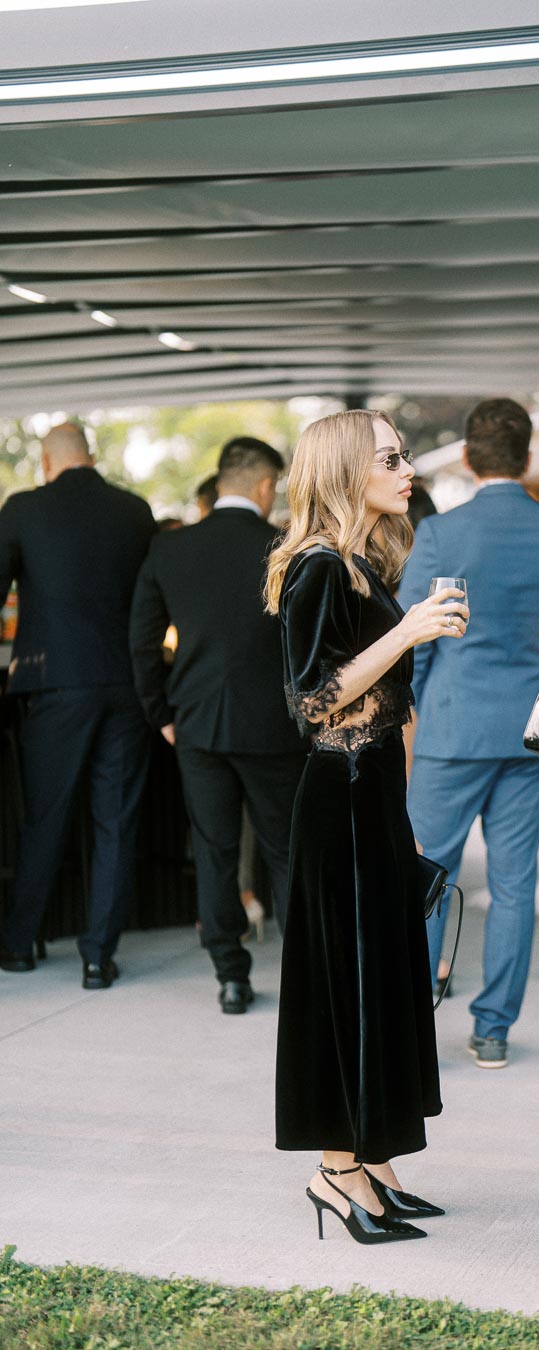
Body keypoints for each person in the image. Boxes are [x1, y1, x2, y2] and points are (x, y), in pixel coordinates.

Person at [265, 408, 467, 1244]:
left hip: (373, 799)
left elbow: (397, 709)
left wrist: (406, 817)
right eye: (390, 457)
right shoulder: (316, 568)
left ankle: (375, 1162)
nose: (406, 467)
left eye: (404, 453)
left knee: (386, 985)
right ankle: (335, 1171)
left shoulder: (365, 566)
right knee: (348, 988)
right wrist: (412, 628)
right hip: (337, 802)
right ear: (348, 471)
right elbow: (313, 700)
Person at [397, 398, 539, 1068]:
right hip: (529, 733)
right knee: (513, 886)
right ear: (527, 458)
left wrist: (407, 713)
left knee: (422, 877)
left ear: (470, 458)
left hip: (451, 731)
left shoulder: (441, 535)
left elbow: (414, 640)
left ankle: (412, 1026)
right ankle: (493, 1030)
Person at [130, 436, 304, 1014]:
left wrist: (162, 714)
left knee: (215, 851)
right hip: (274, 726)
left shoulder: (170, 550)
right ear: (263, 485)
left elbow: (142, 641)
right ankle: (306, 975)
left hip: (197, 724)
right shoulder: (285, 548)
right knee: (285, 850)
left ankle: (231, 975)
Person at [0, 422, 155, 986]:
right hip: (126, 683)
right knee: (115, 820)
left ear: (46, 461)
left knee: (45, 815)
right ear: (90, 457)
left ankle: (18, 944)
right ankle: (97, 957)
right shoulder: (135, 511)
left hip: (55, 684)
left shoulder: (22, 509)